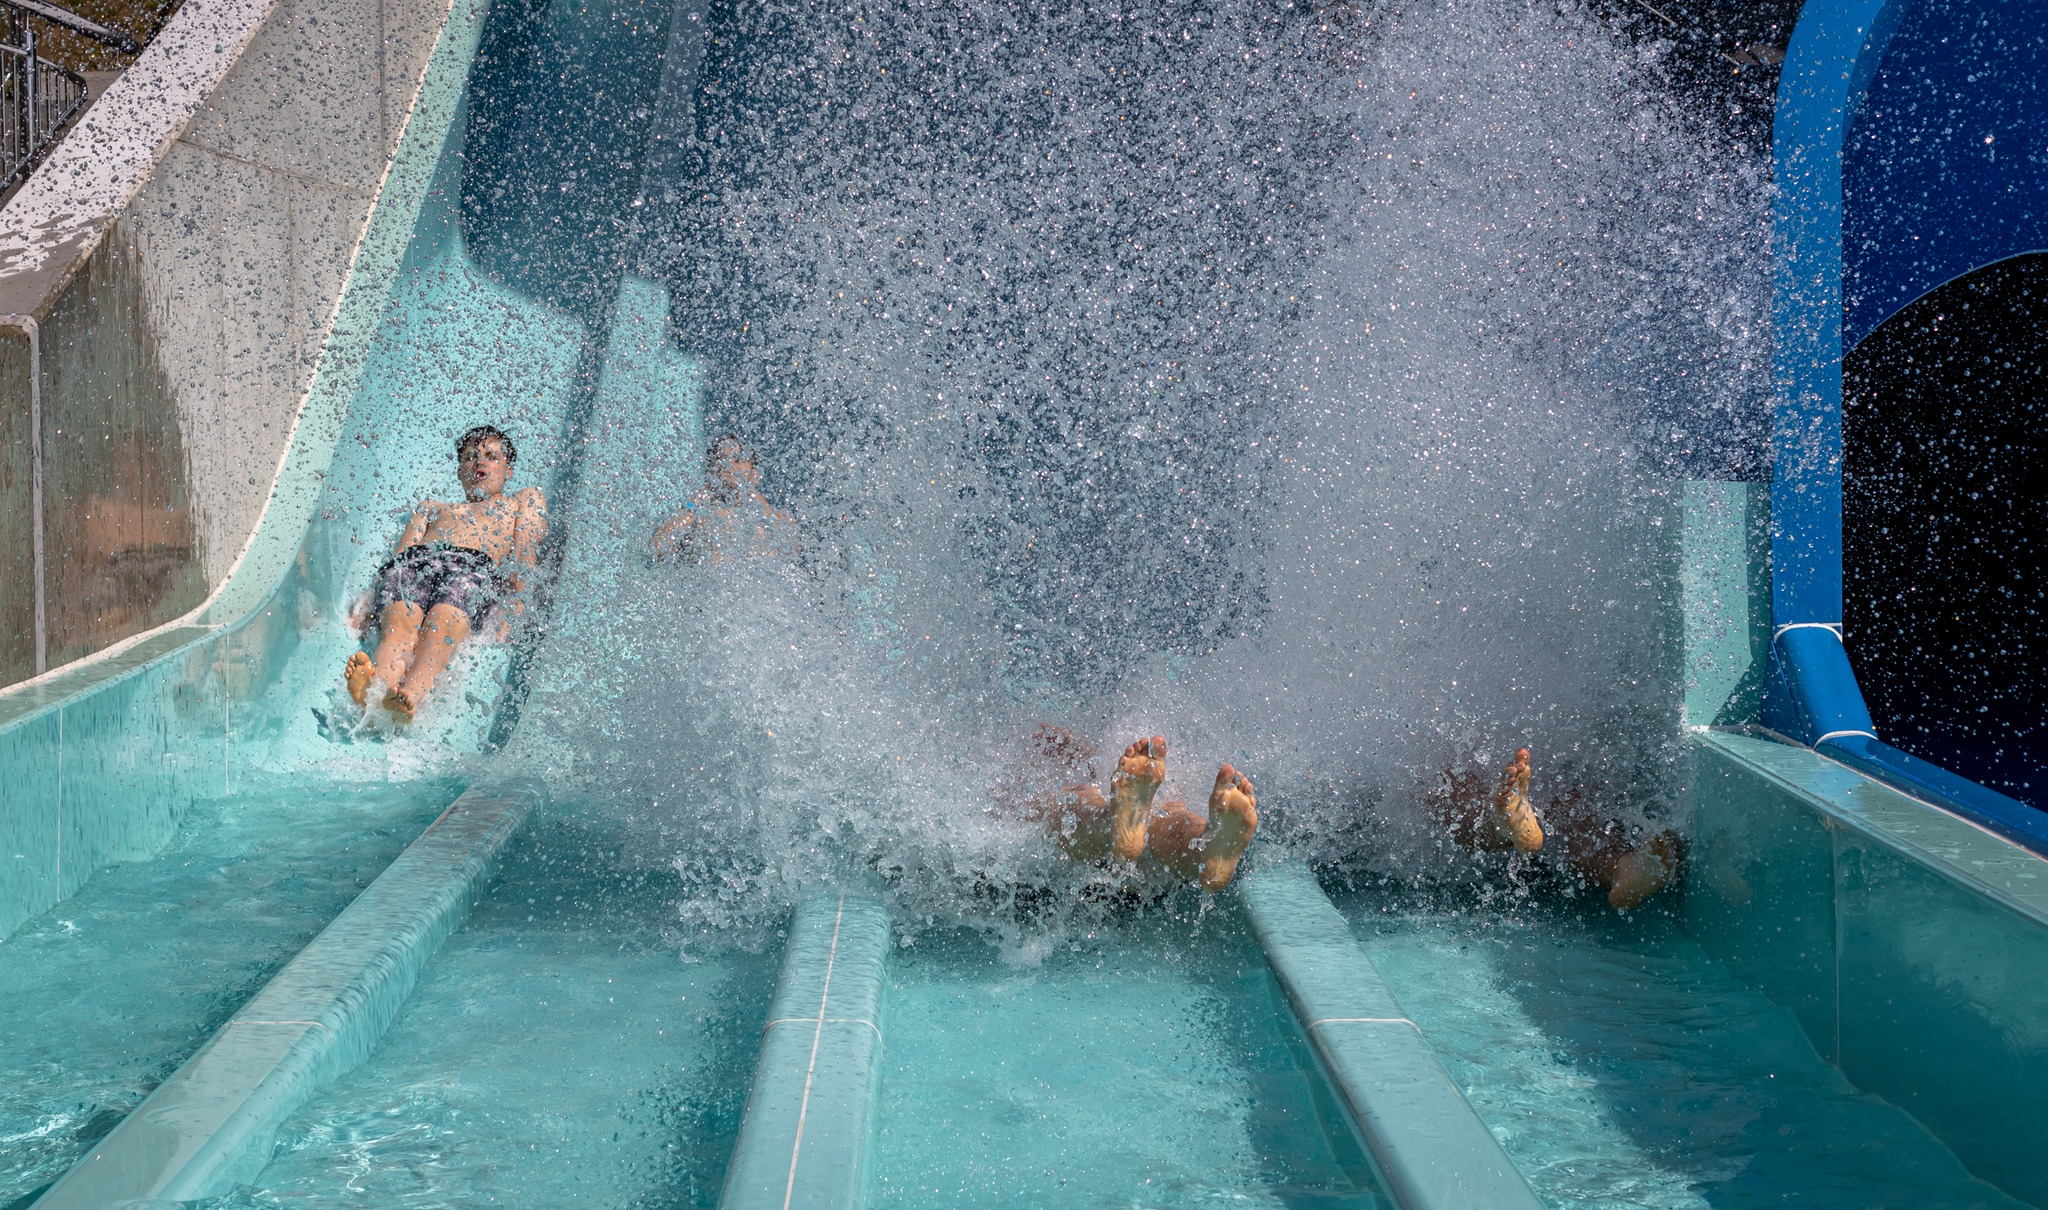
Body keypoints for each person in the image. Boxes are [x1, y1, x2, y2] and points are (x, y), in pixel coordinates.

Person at [343, 425, 547, 722]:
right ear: (458, 472)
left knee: (441, 627)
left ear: (509, 471)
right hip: (415, 564)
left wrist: (518, 600)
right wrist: (370, 601)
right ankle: (374, 693)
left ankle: (408, 698)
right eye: (469, 457)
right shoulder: (432, 508)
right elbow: (399, 557)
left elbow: (526, 551)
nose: (479, 463)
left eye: (491, 457)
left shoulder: (520, 501)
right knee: (399, 625)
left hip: (473, 568)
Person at [1008, 728, 1261, 892]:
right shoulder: (1104, 761)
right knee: (1173, 808)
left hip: (1084, 856)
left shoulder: (1040, 767)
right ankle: (1205, 846)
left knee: (1070, 799)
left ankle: (1109, 824)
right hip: (1158, 872)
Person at [1434, 747, 1682, 911]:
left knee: (1447, 785)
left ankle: (1499, 824)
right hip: (1561, 767)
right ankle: (1625, 868)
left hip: (1493, 768)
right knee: (1574, 808)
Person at [651, 434, 798, 564]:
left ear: (755, 473)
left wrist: (760, 501)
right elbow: (656, 548)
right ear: (712, 469)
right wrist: (697, 501)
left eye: (737, 459)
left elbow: (791, 558)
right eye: (722, 458)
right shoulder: (696, 513)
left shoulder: (779, 519)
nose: (729, 465)